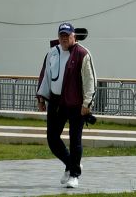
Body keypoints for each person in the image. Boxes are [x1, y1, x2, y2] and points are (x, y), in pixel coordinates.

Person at [36, 22, 97, 189]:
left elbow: (90, 80)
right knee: (52, 138)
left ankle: (74, 174)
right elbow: (45, 75)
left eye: (67, 36)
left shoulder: (82, 54)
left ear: (73, 37)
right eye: (61, 35)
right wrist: (41, 97)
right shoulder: (52, 53)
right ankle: (71, 164)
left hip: (76, 104)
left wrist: (87, 103)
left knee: (75, 139)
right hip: (56, 103)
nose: (64, 38)